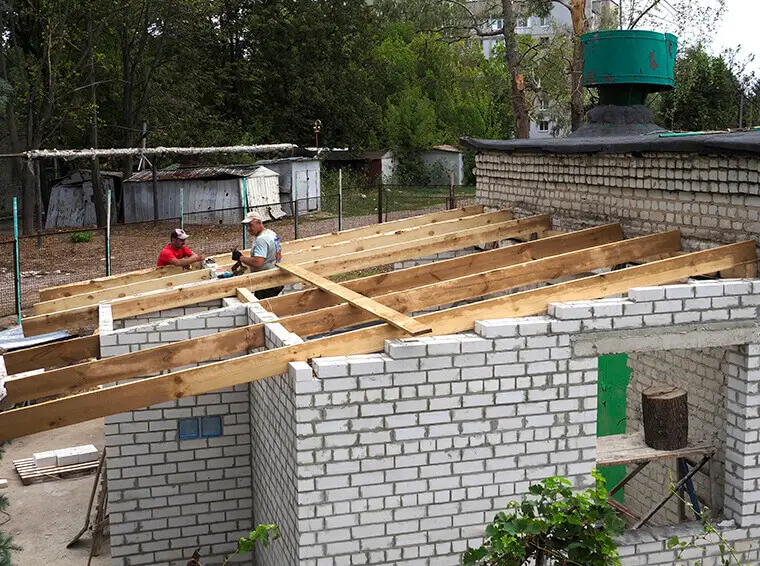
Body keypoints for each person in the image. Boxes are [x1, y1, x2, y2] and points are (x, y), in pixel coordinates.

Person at [234, 211, 283, 299]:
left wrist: (240, 257)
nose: (248, 228)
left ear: (259, 222)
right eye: (246, 226)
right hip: (275, 276)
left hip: (266, 281)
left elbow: (258, 263)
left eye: (250, 225)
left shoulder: (261, 239)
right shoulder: (271, 233)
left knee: (263, 306)